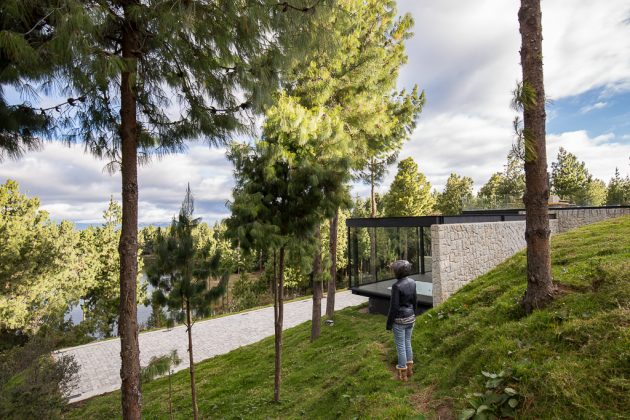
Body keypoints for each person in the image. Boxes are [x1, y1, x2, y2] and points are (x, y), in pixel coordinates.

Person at [386, 260, 417, 382]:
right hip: (411, 318)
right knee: (408, 343)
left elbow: (393, 307)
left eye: (394, 270)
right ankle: (410, 370)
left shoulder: (396, 286)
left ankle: (403, 374)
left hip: (400, 320)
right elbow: (415, 300)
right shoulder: (413, 282)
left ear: (398, 272)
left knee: (401, 347)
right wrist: (413, 314)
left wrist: (389, 324)